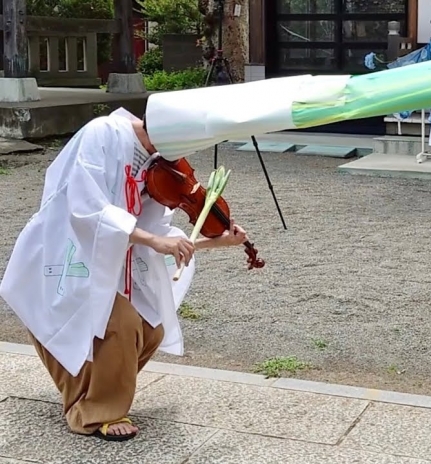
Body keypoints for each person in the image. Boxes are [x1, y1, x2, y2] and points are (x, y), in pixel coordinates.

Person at [0, 108, 249, 441]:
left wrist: (214, 243)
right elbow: (86, 208)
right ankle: (94, 412)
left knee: (151, 325)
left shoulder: (157, 163)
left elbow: (156, 234)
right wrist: (152, 240)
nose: (182, 158)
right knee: (119, 323)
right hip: (66, 251)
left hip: (110, 258)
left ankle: (89, 396)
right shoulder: (102, 134)